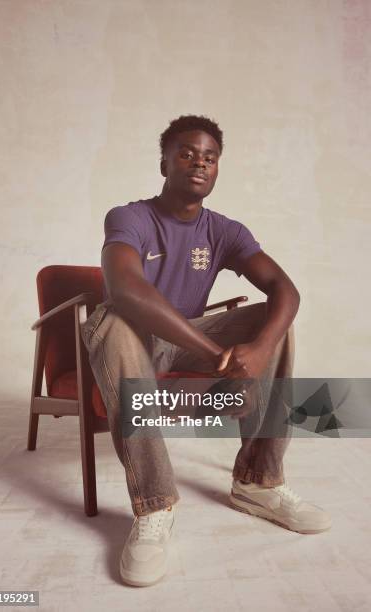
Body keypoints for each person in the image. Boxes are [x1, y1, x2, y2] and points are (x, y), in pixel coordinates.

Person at [81, 114, 332, 587]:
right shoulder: (129, 217)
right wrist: (213, 350)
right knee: (112, 319)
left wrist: (256, 349)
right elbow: (125, 288)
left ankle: (259, 482)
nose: (199, 163)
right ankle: (154, 506)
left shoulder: (224, 230)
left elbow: (285, 289)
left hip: (191, 340)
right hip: (135, 340)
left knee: (273, 321)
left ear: (217, 170)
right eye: (186, 153)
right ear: (164, 163)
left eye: (210, 157)